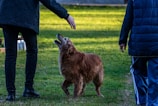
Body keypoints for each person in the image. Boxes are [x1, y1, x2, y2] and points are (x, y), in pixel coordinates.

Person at [0, 0, 76, 101]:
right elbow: (48, 1)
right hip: (27, 16)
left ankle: (11, 93)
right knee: (32, 51)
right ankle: (28, 88)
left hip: (7, 14)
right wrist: (66, 15)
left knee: (10, 55)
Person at [119, 0, 158, 106]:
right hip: (156, 44)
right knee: (155, 78)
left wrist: (123, 39)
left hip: (138, 44)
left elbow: (128, 18)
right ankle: (153, 103)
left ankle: (141, 102)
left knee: (138, 73)